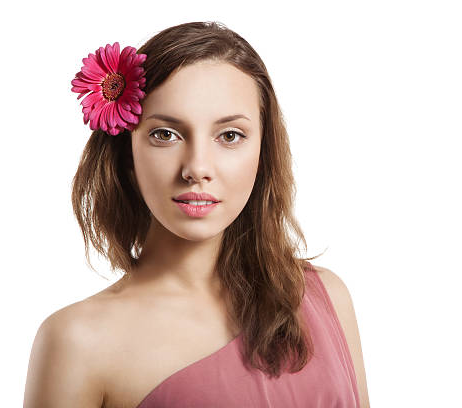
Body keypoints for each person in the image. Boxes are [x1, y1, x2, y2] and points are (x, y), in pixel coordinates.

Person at [23, 21, 369, 408]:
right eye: (166, 134)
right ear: (127, 153)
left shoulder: (326, 298)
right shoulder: (78, 341)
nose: (197, 167)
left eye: (230, 136)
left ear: (263, 151)